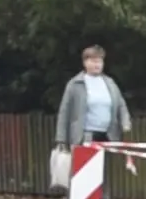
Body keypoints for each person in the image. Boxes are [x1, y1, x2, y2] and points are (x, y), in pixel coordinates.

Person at [52, 46, 125, 188]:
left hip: (107, 135)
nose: (97, 64)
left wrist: (125, 122)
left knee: (103, 174)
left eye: (100, 61)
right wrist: (61, 138)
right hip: (85, 136)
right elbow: (64, 112)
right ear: (85, 63)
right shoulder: (75, 84)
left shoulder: (110, 83)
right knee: (84, 173)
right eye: (93, 61)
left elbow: (121, 104)